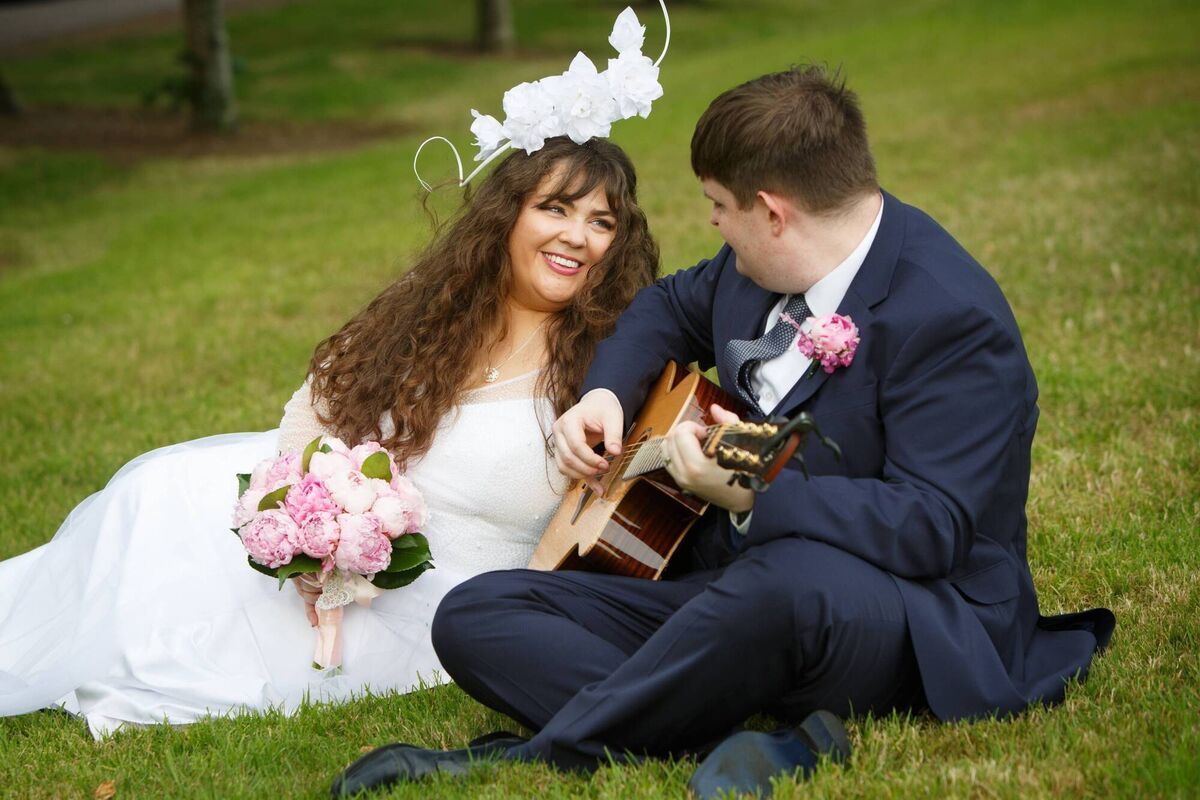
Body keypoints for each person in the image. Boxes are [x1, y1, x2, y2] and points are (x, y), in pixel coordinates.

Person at [333, 65, 1115, 797]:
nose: (712, 223)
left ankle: (515, 758)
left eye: (719, 205)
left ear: (773, 212)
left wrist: (753, 495)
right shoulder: (755, 268)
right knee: (479, 614)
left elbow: (934, 527)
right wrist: (604, 393)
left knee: (781, 590)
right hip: (727, 588)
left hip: (896, 607)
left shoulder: (952, 318)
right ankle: (749, 738)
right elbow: (669, 307)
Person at [0, 136, 658, 738]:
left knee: (201, 643)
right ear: (509, 213)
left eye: (601, 221)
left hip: (441, 596)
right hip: (337, 536)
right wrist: (304, 518)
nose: (578, 237)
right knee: (155, 497)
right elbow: (320, 403)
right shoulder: (443, 307)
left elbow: (606, 532)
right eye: (556, 209)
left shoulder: (612, 365)